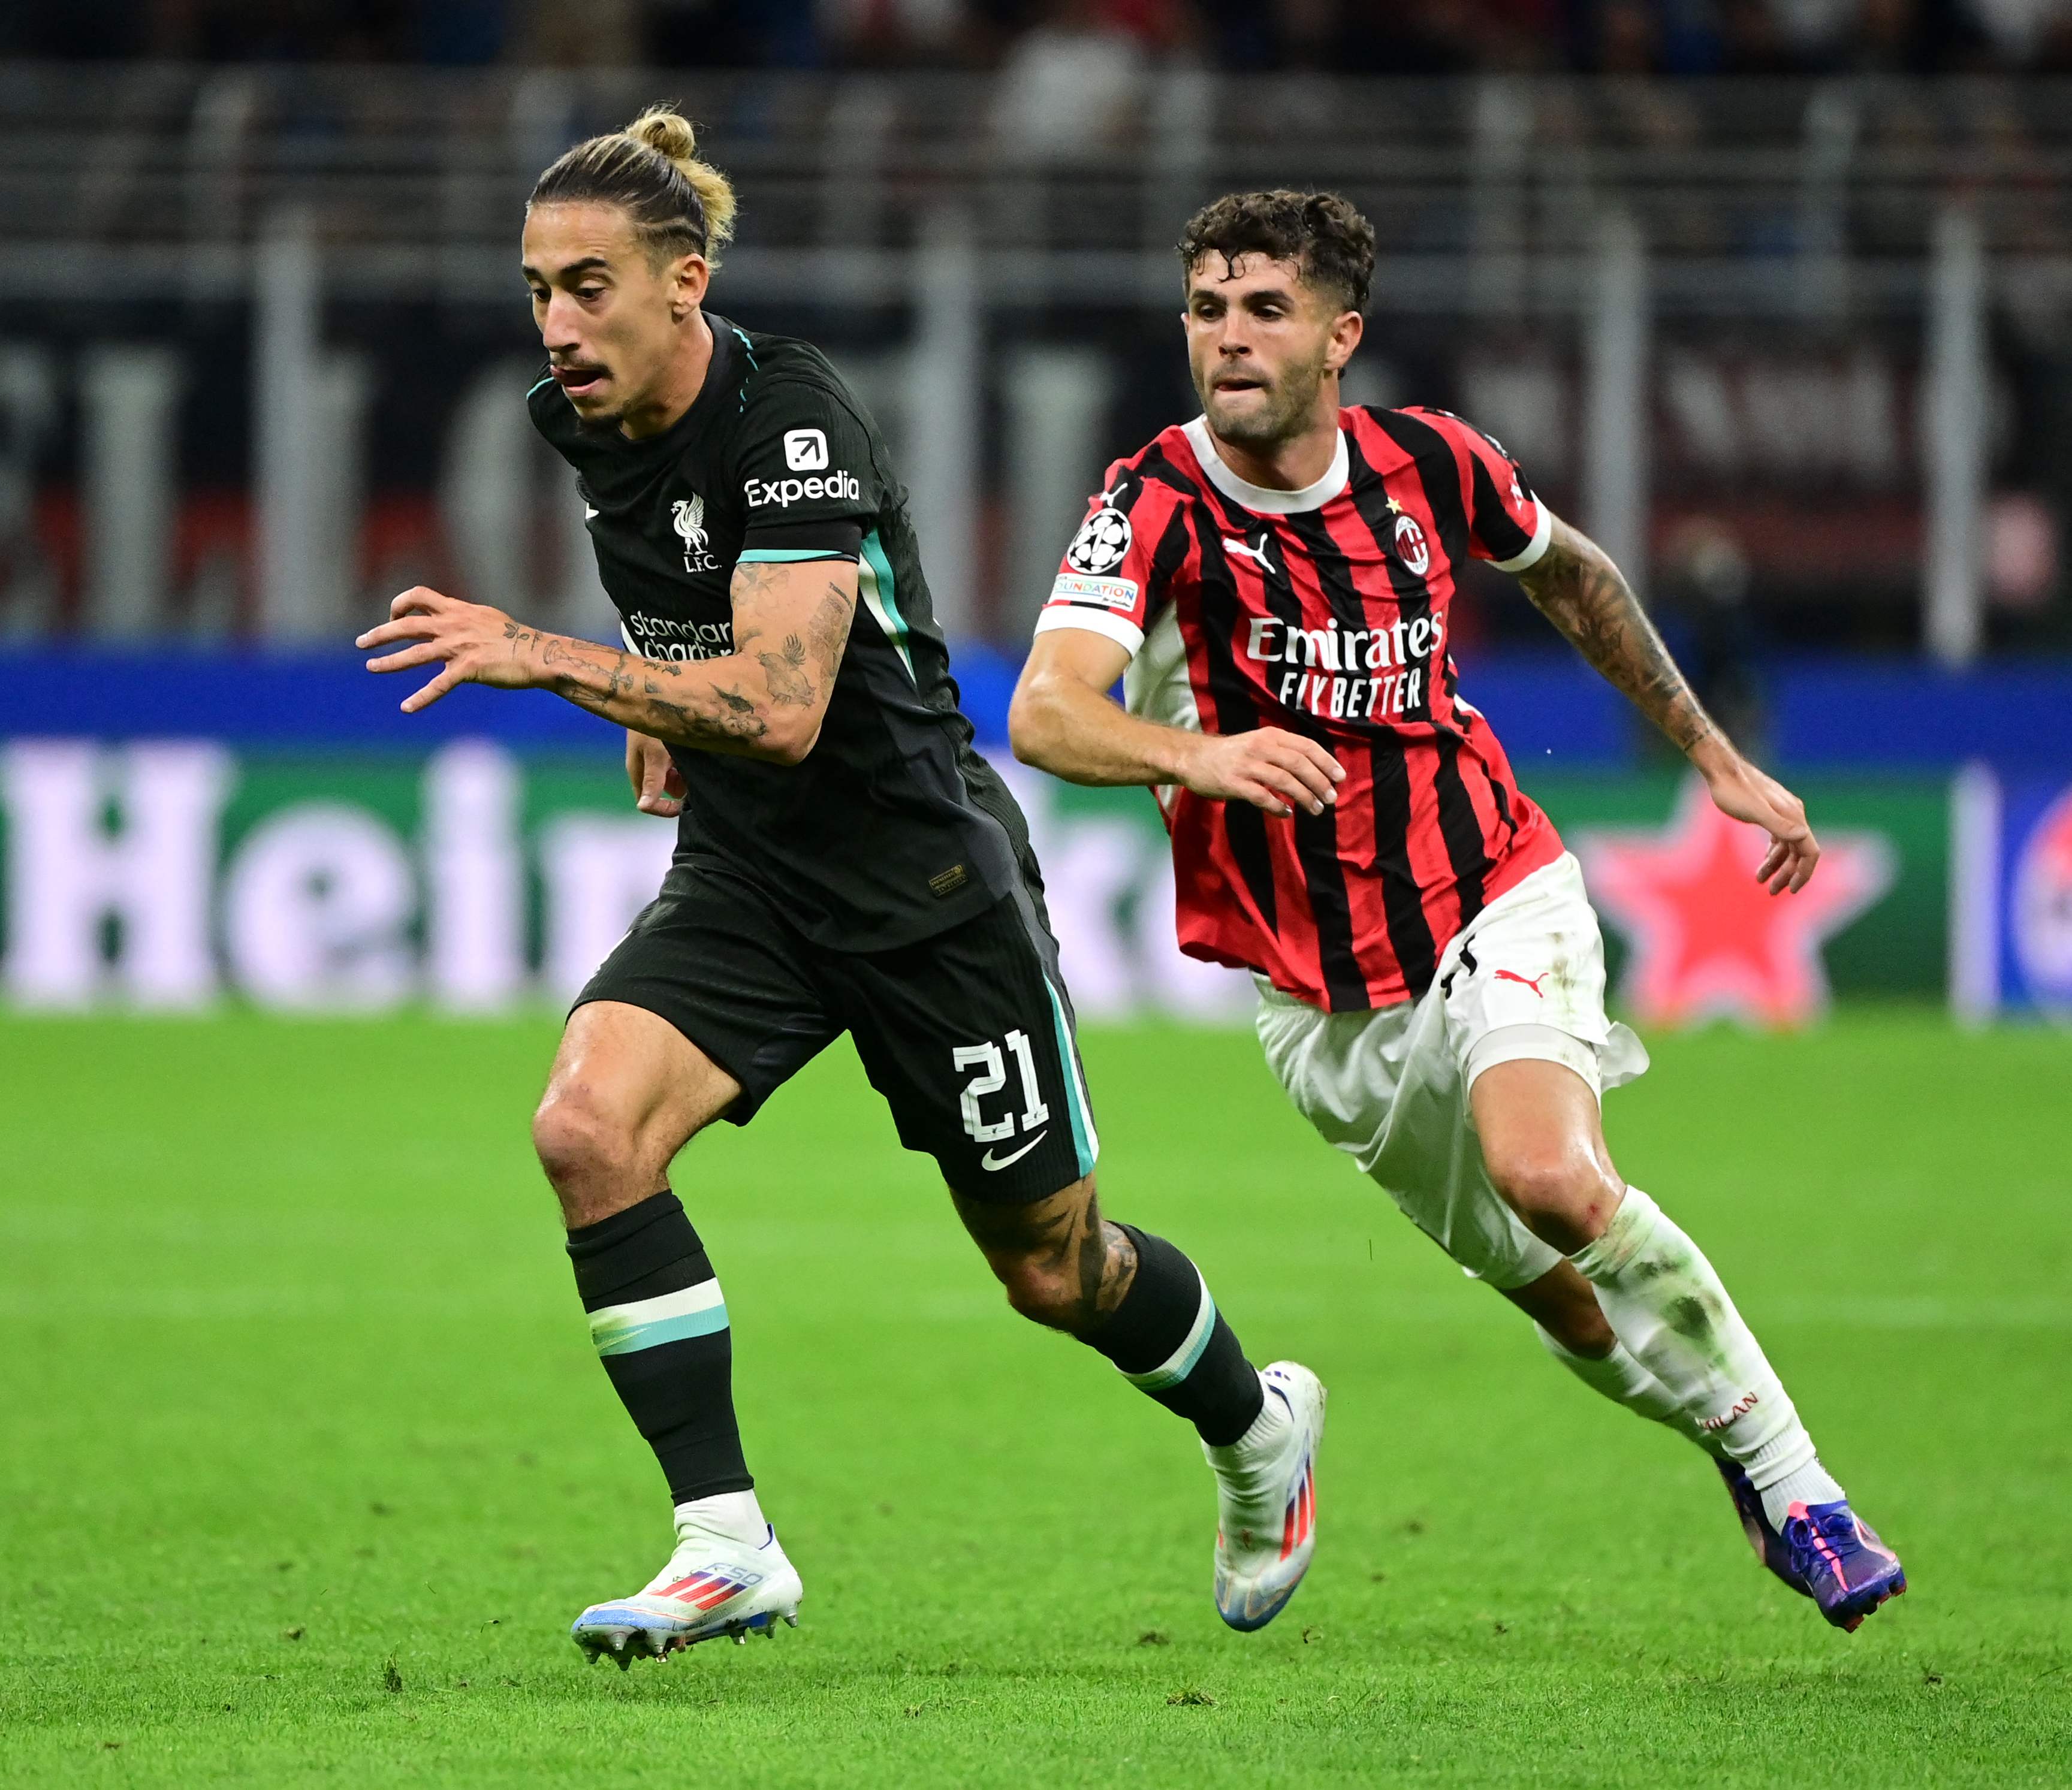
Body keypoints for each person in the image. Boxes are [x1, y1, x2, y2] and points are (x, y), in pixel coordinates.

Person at [358, 111, 1325, 1662]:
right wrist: (663, 718)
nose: (556, 324)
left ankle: (1255, 1426)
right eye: (538, 287)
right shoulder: (581, 416)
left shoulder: (791, 416)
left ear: (685, 283)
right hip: (753, 872)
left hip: (923, 879)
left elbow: (794, 704)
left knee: (1052, 1269)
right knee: (586, 1126)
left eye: (588, 285)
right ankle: (722, 1540)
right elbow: (694, 613)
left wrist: (558, 663)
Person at [1008, 189, 1904, 1632]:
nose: (1228, 339)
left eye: (1265, 311)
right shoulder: (1152, 502)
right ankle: (1731, 1445)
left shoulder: (1432, 462)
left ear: (1340, 336)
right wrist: (1201, 754)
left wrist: (1717, 758)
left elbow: (1576, 575)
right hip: (1325, 1011)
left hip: (1493, 883)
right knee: (1567, 1296)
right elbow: (1047, 710)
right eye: (1207, 310)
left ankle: (1799, 1484)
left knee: (1550, 1172)